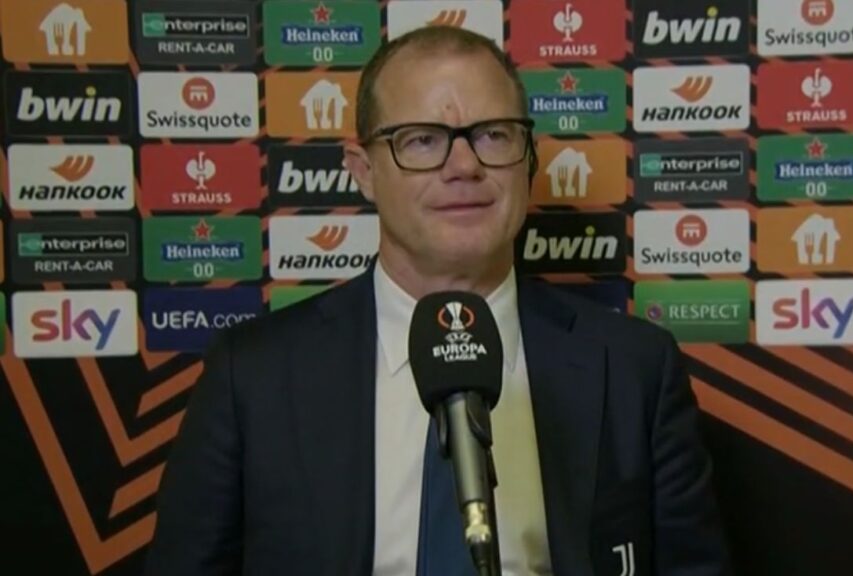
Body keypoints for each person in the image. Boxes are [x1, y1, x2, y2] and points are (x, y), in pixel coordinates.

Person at [145, 25, 732, 576]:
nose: (465, 166)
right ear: (363, 170)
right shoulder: (253, 374)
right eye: (422, 140)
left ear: (529, 158)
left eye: (493, 135)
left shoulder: (635, 368)